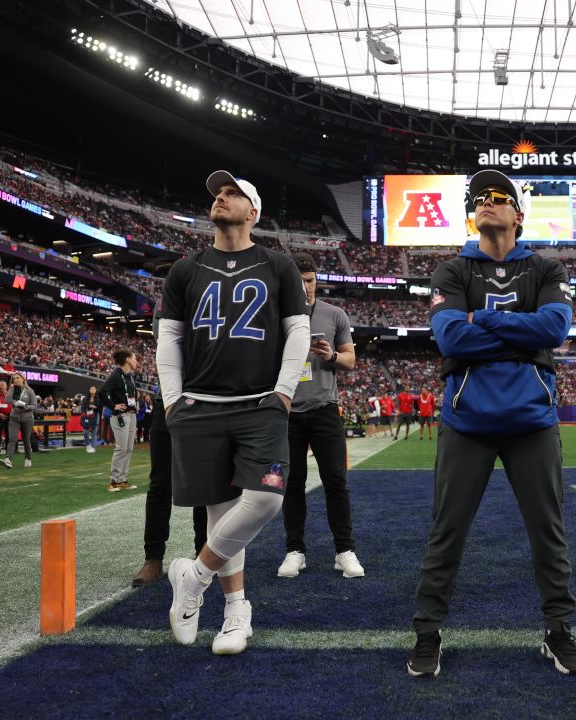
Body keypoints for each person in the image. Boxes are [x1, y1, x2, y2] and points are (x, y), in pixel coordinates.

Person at [408, 170, 576, 677]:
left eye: (497, 197)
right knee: (447, 532)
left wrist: (482, 320)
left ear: (518, 214)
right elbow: (450, 341)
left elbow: (555, 328)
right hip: (467, 420)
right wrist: (522, 335)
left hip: (532, 420)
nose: (486, 203)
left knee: (548, 533)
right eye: (479, 199)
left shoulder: (547, 268)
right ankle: (427, 633)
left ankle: (558, 631)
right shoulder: (451, 270)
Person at [157, 170, 310, 655]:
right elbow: (170, 339)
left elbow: (297, 332)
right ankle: (235, 613)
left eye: (233, 193)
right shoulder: (185, 269)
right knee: (220, 514)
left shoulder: (278, 265)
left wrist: (284, 392)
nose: (222, 198)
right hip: (201, 403)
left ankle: (192, 577)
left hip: (259, 402)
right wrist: (171, 399)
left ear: (254, 211)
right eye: (219, 194)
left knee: (264, 499)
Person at [276, 253, 364, 580]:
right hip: (288, 411)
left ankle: (345, 550)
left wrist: (331, 355)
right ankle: (294, 550)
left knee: (336, 482)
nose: (306, 287)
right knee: (292, 484)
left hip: (325, 409)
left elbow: (350, 360)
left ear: (317, 280)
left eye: (310, 280)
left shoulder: (333, 314)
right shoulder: (278, 314)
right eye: (299, 281)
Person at [132, 305, 209, 589]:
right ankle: (153, 557)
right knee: (160, 483)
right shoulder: (170, 297)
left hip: (207, 400)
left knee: (206, 482)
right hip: (169, 399)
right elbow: (168, 340)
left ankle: (204, 554)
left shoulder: (214, 290)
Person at [100, 349, 140, 492]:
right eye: (134, 358)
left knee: (128, 448)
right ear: (128, 360)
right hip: (120, 416)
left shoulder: (129, 376)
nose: (136, 361)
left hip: (131, 415)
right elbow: (102, 392)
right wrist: (113, 405)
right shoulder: (116, 375)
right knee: (121, 448)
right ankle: (113, 481)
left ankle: (122, 479)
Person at [0, 372, 38, 469]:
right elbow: (7, 400)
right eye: (14, 378)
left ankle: (28, 459)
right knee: (12, 439)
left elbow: (35, 406)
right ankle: (8, 459)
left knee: (26, 440)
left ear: (23, 379)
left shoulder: (29, 391)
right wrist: (13, 392)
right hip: (14, 418)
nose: (15, 380)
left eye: (17, 378)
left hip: (27, 419)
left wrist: (25, 406)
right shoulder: (12, 389)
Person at [79, 385, 101, 453]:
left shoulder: (98, 398)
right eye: (91, 389)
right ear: (89, 390)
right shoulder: (85, 398)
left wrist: (95, 407)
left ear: (96, 390)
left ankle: (93, 447)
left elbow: (100, 406)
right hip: (86, 416)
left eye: (94, 389)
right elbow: (83, 407)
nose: (92, 390)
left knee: (94, 433)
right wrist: (89, 406)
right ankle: (88, 445)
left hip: (95, 415)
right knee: (85, 431)